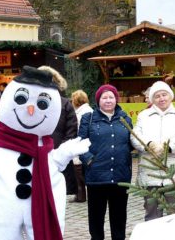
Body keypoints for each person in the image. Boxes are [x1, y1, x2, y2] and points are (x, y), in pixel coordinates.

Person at [131, 81, 175, 221]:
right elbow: (135, 136)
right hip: (150, 172)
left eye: (164, 94)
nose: (161, 98)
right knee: (152, 216)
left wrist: (167, 147)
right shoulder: (143, 116)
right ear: (152, 99)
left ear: (170, 96)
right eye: (157, 96)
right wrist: (149, 145)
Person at [78, 84, 133, 240]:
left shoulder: (125, 118)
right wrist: (90, 161)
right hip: (96, 177)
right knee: (96, 220)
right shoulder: (88, 119)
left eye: (111, 97)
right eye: (104, 97)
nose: (108, 100)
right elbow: (80, 144)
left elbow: (131, 143)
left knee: (119, 219)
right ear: (98, 100)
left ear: (116, 99)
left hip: (120, 176)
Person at [38, 65, 78, 196]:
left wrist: (59, 153)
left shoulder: (65, 104)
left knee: (58, 197)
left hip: (59, 159)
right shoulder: (31, 103)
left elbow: (71, 132)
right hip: (36, 157)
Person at [70, 89, 93, 203]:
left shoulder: (83, 112)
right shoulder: (87, 110)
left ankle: (81, 195)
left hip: (81, 144)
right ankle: (80, 194)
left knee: (78, 171)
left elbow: (79, 130)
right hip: (86, 144)